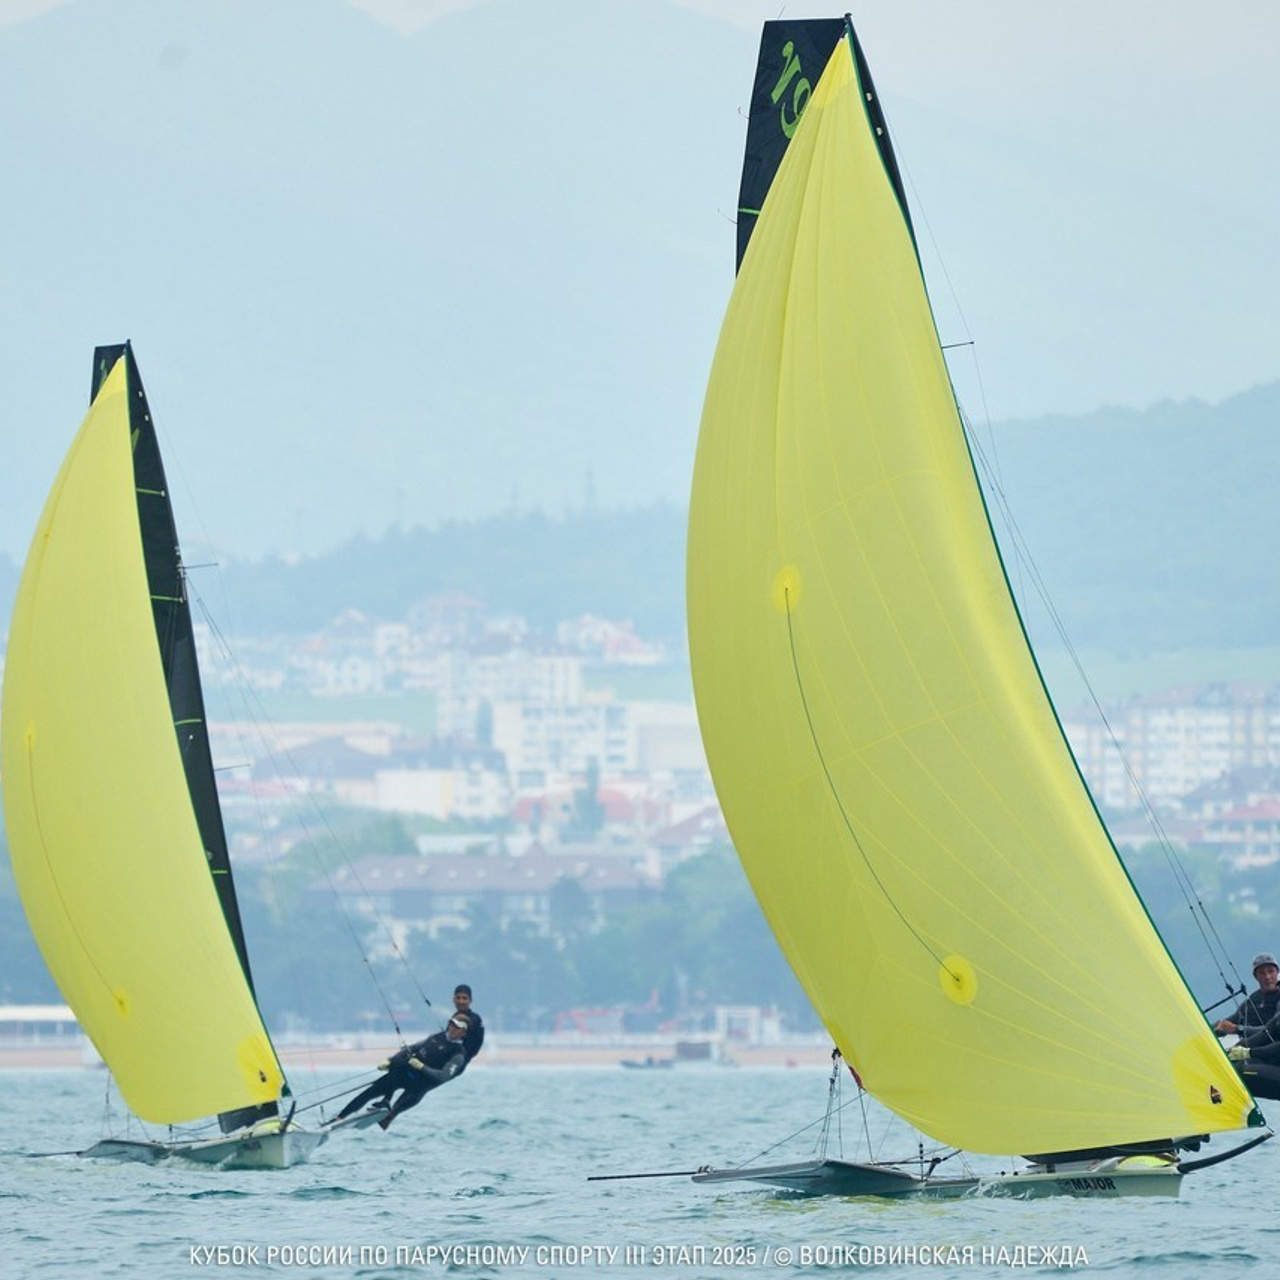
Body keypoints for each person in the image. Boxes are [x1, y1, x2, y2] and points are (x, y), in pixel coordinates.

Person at [336, 1012, 471, 1129]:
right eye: (452, 1024)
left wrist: (421, 1066)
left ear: (463, 1032)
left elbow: (442, 1076)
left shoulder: (458, 1054)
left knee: (393, 1109)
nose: (452, 1028)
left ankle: (388, 1110)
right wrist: (389, 1061)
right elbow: (413, 1048)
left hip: (419, 1085)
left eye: (457, 1027)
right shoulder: (438, 1036)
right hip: (405, 1074)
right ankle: (340, 1117)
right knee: (372, 1090)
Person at [1214, 952, 1280, 1036]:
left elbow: (1274, 1029)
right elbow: (1227, 1023)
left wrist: (1238, 1029)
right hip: (1253, 1046)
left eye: (1271, 971)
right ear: (1256, 977)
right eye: (1262, 973)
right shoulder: (1252, 1002)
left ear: (1277, 972)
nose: (1267, 977)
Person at [452, 983, 485, 1063]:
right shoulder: (454, 1016)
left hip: (459, 1060)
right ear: (454, 1000)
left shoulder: (476, 1019)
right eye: (458, 998)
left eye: (464, 998)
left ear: (470, 1000)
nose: (461, 1001)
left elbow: (469, 1024)